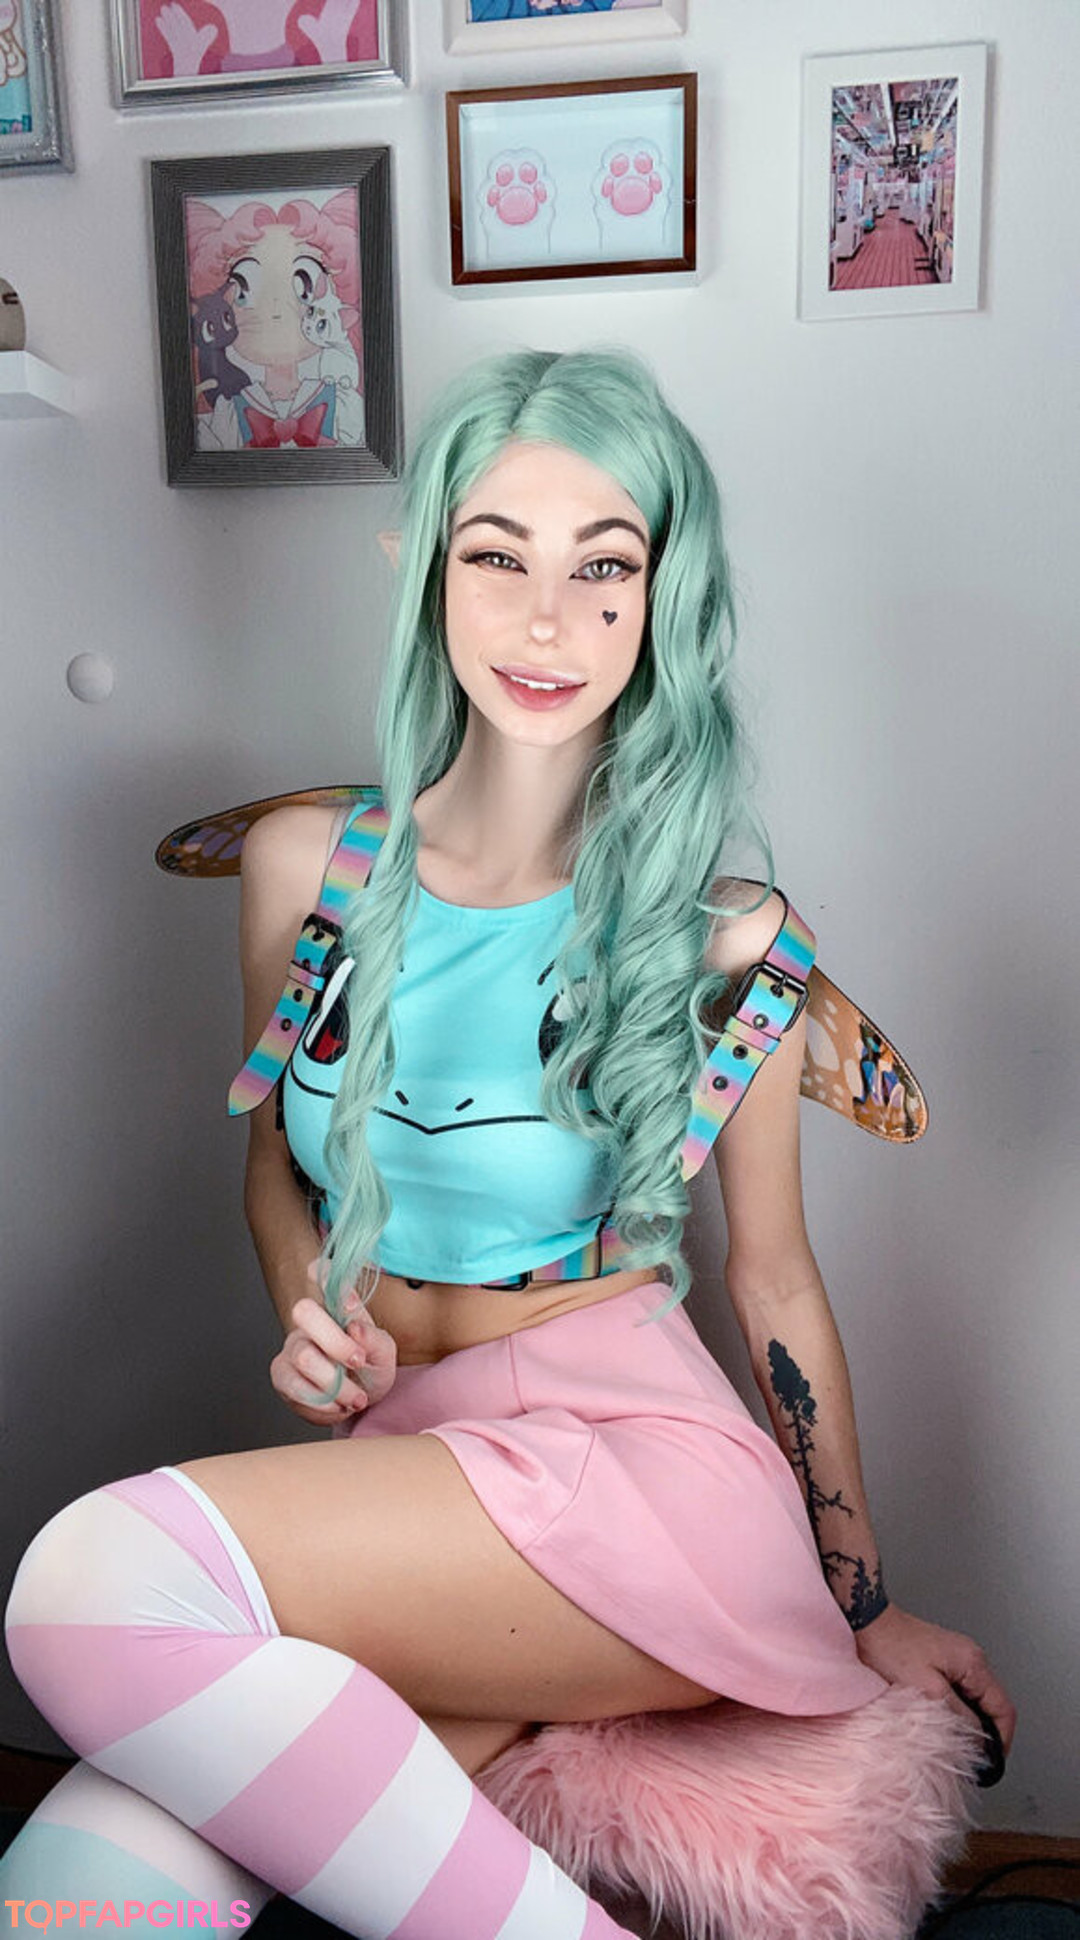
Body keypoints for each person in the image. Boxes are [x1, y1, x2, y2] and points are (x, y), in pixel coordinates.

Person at [2, 349, 1015, 1938]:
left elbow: (772, 1284)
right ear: (422, 570)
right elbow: (272, 1169)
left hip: (638, 1487)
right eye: (498, 557)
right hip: (416, 1465)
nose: (549, 620)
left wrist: (863, 1600)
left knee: (85, 1583)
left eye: (603, 567)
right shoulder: (307, 870)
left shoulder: (727, 940)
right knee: (76, 1886)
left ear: (663, 598)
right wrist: (309, 1316)